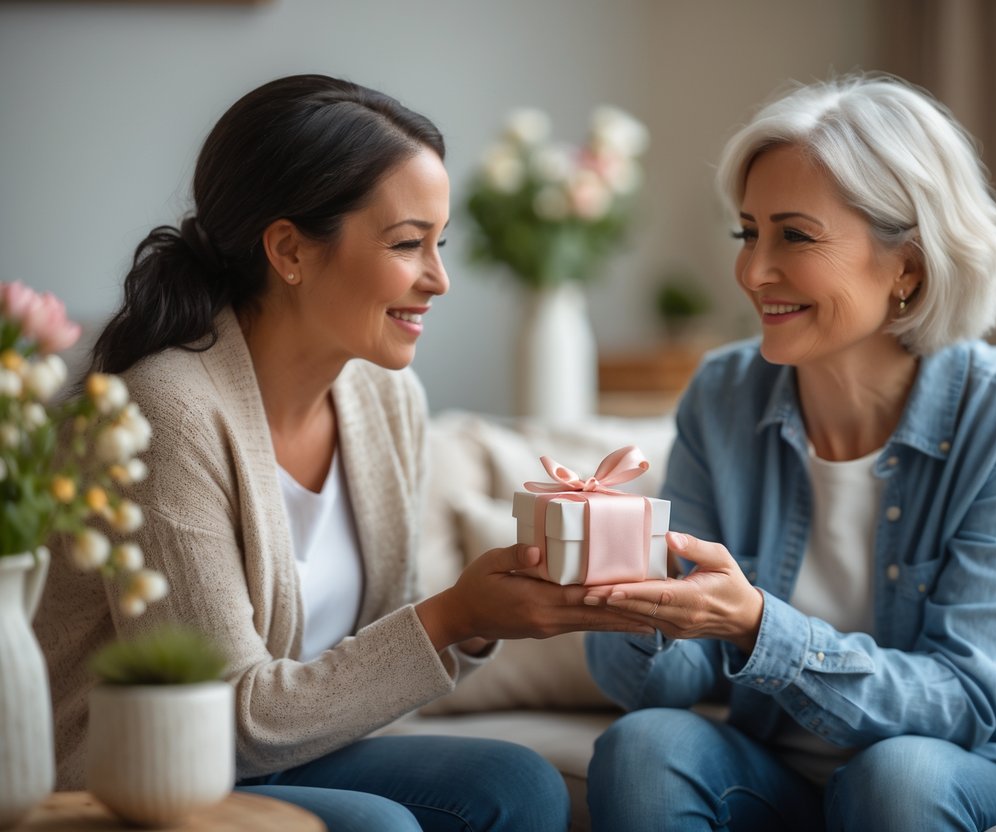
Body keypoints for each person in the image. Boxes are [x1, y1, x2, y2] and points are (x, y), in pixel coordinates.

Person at [33, 74, 655, 832]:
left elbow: (368, 661)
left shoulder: (386, 400)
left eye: (439, 242)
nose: (439, 279)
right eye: (406, 244)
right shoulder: (167, 412)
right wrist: (454, 613)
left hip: (278, 755)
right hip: (132, 775)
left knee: (517, 783)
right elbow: (226, 719)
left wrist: (488, 615)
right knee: (375, 827)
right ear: (290, 250)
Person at [582, 74, 996, 832]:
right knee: (643, 745)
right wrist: (624, 590)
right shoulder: (724, 391)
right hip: (776, 768)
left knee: (896, 776)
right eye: (746, 232)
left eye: (793, 235)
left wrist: (760, 627)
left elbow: (961, 703)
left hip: (975, 767)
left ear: (907, 267)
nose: (753, 271)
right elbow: (659, 688)